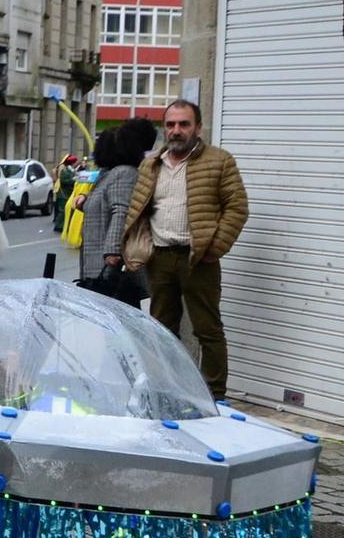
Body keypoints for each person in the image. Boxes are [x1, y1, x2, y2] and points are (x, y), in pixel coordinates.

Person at [120, 99, 249, 400]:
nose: (176, 131)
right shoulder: (150, 164)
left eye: (184, 124)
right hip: (160, 258)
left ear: (198, 128)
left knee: (208, 330)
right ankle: (168, 391)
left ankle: (215, 395)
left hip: (199, 259)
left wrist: (215, 247)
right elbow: (139, 208)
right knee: (161, 332)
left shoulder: (219, 161)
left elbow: (238, 207)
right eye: (170, 124)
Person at [74, 119, 156, 302]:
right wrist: (85, 201)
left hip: (109, 266)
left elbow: (121, 212)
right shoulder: (109, 174)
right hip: (99, 266)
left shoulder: (124, 173)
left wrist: (112, 252)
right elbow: (106, 202)